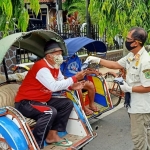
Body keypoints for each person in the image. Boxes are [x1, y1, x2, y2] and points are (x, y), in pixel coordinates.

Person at [85, 27, 150, 150]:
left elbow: (148, 87)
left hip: (141, 107)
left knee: (139, 138)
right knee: (145, 135)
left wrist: (129, 89)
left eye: (128, 39)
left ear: (136, 42)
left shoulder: (145, 61)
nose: (126, 41)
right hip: (134, 104)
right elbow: (116, 64)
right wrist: (97, 59)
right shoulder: (133, 55)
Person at [14, 40, 86, 149]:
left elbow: (61, 82)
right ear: (49, 56)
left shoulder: (55, 66)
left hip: (42, 100)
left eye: (61, 54)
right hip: (26, 103)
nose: (60, 56)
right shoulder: (41, 67)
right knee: (49, 112)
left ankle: (52, 135)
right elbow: (53, 86)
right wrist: (75, 78)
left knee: (67, 103)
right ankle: (36, 145)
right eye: (57, 54)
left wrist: (72, 86)